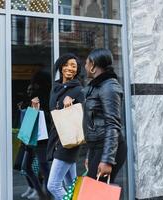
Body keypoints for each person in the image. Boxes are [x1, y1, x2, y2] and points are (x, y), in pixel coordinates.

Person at [83, 48, 127, 183]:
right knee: (94, 192)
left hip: (107, 149)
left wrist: (107, 160)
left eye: (86, 63)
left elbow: (113, 125)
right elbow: (92, 123)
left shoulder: (109, 87)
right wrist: (89, 155)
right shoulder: (95, 87)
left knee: (94, 193)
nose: (84, 67)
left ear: (93, 66)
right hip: (97, 148)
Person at [47, 53, 84, 200]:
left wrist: (73, 104)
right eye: (67, 64)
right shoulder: (55, 89)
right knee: (71, 185)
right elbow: (53, 113)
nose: (70, 68)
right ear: (61, 67)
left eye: (74, 66)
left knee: (53, 185)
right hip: (56, 139)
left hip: (69, 142)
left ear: (77, 70)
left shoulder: (78, 90)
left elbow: (85, 114)